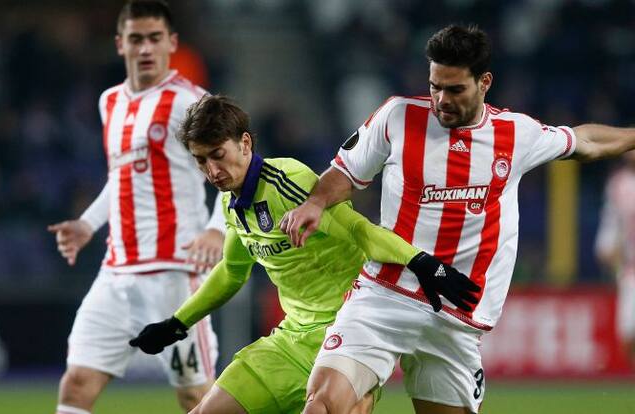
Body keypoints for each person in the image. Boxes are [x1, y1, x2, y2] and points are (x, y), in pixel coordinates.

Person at [280, 24, 635, 414]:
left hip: (456, 318)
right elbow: (345, 171)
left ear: (485, 82)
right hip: (385, 297)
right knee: (322, 406)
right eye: (435, 86)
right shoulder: (398, 116)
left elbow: (586, 142)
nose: (441, 100)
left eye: (454, 90)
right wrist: (315, 203)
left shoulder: (516, 133)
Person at [128, 95, 480, 414]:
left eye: (217, 155)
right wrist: (177, 324)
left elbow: (359, 231)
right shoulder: (232, 205)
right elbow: (232, 271)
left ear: (245, 143)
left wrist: (422, 263)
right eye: (201, 161)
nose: (212, 171)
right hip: (291, 340)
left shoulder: (289, 182)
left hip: (349, 337)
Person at [47, 2, 225, 413]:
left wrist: (218, 229)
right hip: (116, 272)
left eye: (154, 38)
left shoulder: (192, 102)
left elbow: (235, 171)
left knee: (195, 397)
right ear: (120, 44)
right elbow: (123, 176)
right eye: (136, 39)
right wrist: (88, 224)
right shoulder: (110, 102)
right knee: (76, 383)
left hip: (174, 272)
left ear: (172, 43)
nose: (145, 48)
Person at [595, 150, 635, 366]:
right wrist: (607, 246)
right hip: (631, 269)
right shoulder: (619, 184)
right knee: (628, 333)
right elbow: (611, 220)